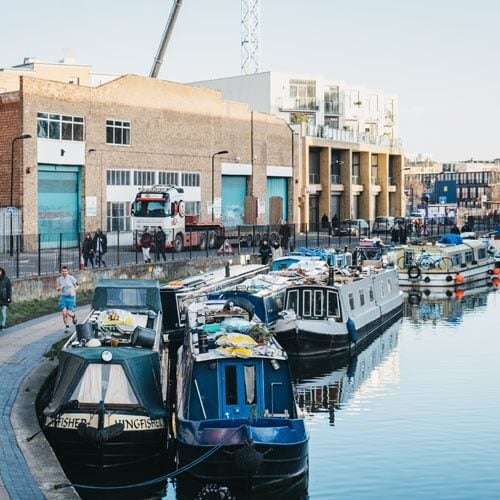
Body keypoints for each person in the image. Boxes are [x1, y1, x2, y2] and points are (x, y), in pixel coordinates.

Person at [56, 266, 79, 332]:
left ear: (67, 272)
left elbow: (77, 285)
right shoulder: (60, 279)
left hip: (71, 297)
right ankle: (67, 326)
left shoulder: (71, 278)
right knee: (64, 313)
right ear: (61, 272)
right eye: (63, 271)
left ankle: (74, 316)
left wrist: (74, 290)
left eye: (65, 271)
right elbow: (57, 288)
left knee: (69, 313)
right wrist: (60, 288)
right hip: (63, 297)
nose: (64, 272)